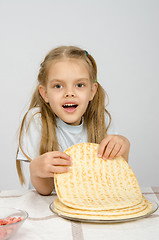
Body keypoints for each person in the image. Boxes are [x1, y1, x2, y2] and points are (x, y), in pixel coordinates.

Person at [16, 46, 130, 195]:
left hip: (90, 204)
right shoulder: (37, 120)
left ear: (92, 91)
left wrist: (123, 145)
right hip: (48, 207)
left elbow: (114, 179)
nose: (69, 93)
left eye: (79, 85)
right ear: (45, 94)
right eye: (58, 86)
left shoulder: (102, 119)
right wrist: (36, 170)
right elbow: (45, 191)